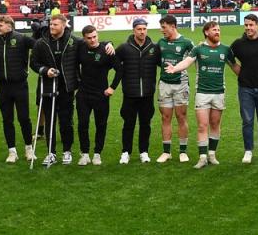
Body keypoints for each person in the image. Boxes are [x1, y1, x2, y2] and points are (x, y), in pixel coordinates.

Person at [164, 21, 230, 169]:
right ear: (206, 32)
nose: (217, 32)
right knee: (202, 125)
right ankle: (202, 157)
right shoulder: (198, 49)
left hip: (219, 92)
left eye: (218, 30)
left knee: (215, 124)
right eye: (214, 30)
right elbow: (187, 62)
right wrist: (175, 68)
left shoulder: (225, 49)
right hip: (202, 93)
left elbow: (235, 66)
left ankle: (212, 154)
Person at [30, 15, 80, 167]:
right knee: (50, 120)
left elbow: (92, 45)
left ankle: (67, 151)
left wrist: (108, 43)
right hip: (47, 86)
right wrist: (45, 70)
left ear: (64, 26)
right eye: (51, 24)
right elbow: (33, 63)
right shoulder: (41, 42)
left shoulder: (74, 41)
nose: (52, 27)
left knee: (66, 120)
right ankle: (51, 153)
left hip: (67, 87)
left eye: (55, 25)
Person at [0, 16, 36, 164]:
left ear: (9, 26)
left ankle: (28, 149)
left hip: (20, 85)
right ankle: (12, 151)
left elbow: (41, 46)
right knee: (7, 120)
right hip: (2, 86)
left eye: (0, 25)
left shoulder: (21, 38)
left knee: (24, 118)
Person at [227, 14, 258, 163]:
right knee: (247, 121)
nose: (248, 28)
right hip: (245, 88)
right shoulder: (238, 44)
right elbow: (228, 57)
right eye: (246, 25)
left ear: (257, 25)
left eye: (251, 25)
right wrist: (238, 71)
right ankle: (248, 151)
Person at [112, 17, 160, 164]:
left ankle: (144, 152)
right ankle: (125, 152)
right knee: (129, 124)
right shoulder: (124, 47)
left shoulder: (154, 47)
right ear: (133, 30)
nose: (142, 32)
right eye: (139, 29)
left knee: (145, 124)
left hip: (147, 93)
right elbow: (113, 60)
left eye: (144, 29)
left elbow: (163, 63)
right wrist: (121, 71)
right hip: (130, 93)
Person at [75, 25, 119, 166]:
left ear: (97, 35)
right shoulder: (80, 48)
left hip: (101, 95)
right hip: (83, 94)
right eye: (89, 38)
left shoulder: (107, 50)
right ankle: (85, 154)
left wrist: (112, 88)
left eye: (94, 37)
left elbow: (120, 70)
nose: (92, 40)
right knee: (83, 124)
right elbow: (74, 65)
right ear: (84, 38)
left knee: (101, 125)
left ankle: (97, 154)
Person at [154, 15, 193, 163]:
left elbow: (196, 55)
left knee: (181, 117)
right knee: (165, 117)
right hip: (164, 83)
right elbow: (157, 59)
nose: (161, 30)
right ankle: (166, 152)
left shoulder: (186, 42)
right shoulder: (161, 42)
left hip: (181, 84)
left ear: (173, 26)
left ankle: (183, 151)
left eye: (164, 27)